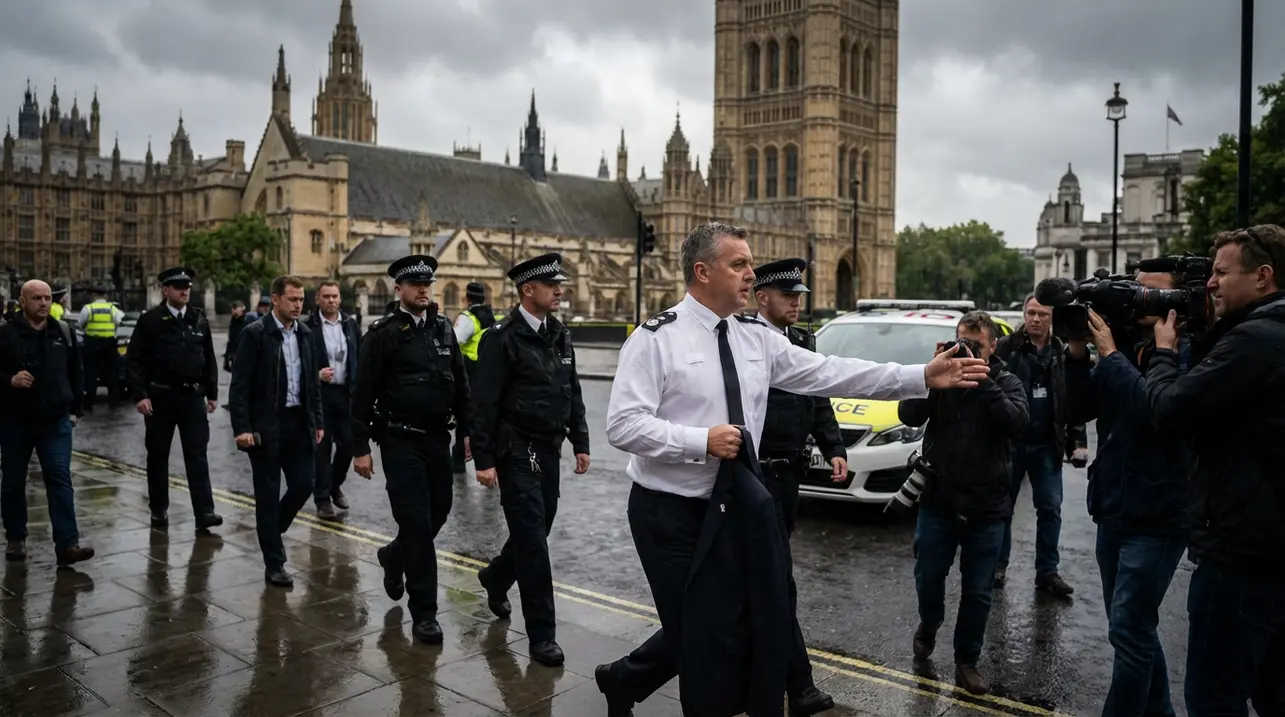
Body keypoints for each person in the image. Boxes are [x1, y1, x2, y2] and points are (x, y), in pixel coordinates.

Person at [594, 222, 990, 715]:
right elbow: (623, 427)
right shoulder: (655, 340)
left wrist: (920, 377)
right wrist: (701, 441)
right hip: (669, 513)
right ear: (701, 272)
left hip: (734, 506)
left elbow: (831, 373)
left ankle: (623, 682)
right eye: (738, 264)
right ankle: (643, 687)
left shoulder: (755, 339)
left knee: (736, 625)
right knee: (701, 635)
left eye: (750, 264)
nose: (750, 274)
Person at [1143, 225, 1285, 716]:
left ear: (1263, 276)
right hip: (1271, 552)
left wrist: (1162, 354)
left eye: (1222, 272)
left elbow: (1174, 411)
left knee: (1213, 697)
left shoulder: (1257, 341)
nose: (1209, 283)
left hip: (1241, 555)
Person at [1063, 273, 1193, 717]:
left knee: (1130, 630)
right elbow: (1079, 410)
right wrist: (1078, 353)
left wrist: (1111, 356)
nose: (1138, 298)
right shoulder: (1125, 347)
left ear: (1175, 297)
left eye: (1149, 291)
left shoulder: (1187, 351)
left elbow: (1159, 413)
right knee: (1134, 631)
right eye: (1135, 289)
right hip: (1114, 509)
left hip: (1158, 515)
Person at [898, 311, 1028, 695]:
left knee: (978, 591)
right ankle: (929, 622)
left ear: (992, 347)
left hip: (987, 508)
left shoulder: (1006, 382)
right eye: (961, 342)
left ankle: (966, 661)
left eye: (975, 345)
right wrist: (931, 375)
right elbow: (908, 413)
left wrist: (982, 379)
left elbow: (1017, 423)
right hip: (939, 500)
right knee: (928, 576)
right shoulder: (944, 377)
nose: (966, 351)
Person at [471, 252, 590, 667]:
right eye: (551, 285)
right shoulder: (501, 338)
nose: (560, 290)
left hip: (549, 448)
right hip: (515, 449)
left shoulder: (559, 334)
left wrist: (581, 440)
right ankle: (542, 636)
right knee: (534, 543)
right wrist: (483, 458)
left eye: (560, 284)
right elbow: (483, 403)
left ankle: (496, 576)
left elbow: (570, 390)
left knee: (539, 526)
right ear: (527, 290)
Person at [350, 255, 471, 644]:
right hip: (399, 440)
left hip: (438, 439)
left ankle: (394, 555)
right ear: (398, 289)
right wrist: (360, 449)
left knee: (439, 514)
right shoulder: (382, 334)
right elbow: (361, 395)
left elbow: (462, 388)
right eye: (414, 283)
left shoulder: (442, 329)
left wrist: (471, 434)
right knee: (417, 524)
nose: (423, 289)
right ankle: (425, 613)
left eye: (427, 283)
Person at [748, 257, 847, 715]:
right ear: (761, 296)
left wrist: (834, 447)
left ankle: (632, 673)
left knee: (756, 586)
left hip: (788, 474)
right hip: (755, 475)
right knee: (776, 583)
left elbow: (819, 397)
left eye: (799, 296)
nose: (796, 303)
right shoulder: (744, 342)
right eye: (788, 295)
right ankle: (799, 684)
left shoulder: (803, 340)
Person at [229, 275, 324, 587]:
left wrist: (318, 422)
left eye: (301, 299)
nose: (299, 305)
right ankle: (275, 562)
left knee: (304, 484)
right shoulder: (256, 333)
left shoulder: (307, 334)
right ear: (275, 299)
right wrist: (242, 428)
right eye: (293, 299)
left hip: (299, 423)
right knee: (267, 496)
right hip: (267, 426)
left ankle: (272, 529)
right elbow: (240, 386)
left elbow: (312, 384)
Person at [992, 293, 1087, 596]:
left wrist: (1078, 440)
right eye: (1031, 313)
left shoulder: (1062, 350)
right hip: (1010, 442)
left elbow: (1072, 398)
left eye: (1042, 315)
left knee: (1050, 508)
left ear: (1052, 319)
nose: (1035, 319)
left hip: (1047, 444)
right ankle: (997, 566)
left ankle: (1047, 572)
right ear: (1024, 314)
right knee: (1001, 507)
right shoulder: (1006, 348)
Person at [0, 280, 94, 565]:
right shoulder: (5, 334)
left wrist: (75, 410)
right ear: (22, 301)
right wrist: (9, 380)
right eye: (37, 298)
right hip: (16, 421)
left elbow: (76, 373)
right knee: (13, 482)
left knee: (60, 479)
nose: (43, 303)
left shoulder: (62, 331)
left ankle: (67, 545)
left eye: (47, 298)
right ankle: (16, 538)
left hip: (55, 421)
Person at [125, 267, 222, 531]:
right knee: (158, 456)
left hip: (192, 398)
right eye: (179, 287)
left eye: (188, 286)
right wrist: (140, 395)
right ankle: (158, 509)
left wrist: (212, 393)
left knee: (197, 456)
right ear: (165, 290)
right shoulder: (151, 320)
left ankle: (205, 513)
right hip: (160, 398)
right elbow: (133, 360)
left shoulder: (198, 319)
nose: (185, 291)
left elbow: (209, 358)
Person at [306, 280, 361, 520]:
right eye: (326, 296)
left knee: (348, 444)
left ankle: (334, 484)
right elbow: (298, 362)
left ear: (340, 299)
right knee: (322, 447)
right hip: (320, 395)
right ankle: (321, 499)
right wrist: (315, 375)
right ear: (317, 299)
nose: (330, 300)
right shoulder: (308, 328)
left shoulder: (350, 324)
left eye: (334, 296)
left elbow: (358, 356)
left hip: (345, 393)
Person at [451, 281, 495, 471]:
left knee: (464, 417)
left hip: (469, 372)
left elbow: (454, 342)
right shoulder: (491, 316)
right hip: (487, 371)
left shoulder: (468, 317)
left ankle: (458, 460)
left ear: (467, 298)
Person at [79, 285, 124, 411]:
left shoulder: (88, 308)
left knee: (91, 373)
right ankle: (114, 402)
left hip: (92, 342)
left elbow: (80, 324)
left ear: (94, 295)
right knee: (111, 373)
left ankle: (89, 403)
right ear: (105, 296)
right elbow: (119, 320)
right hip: (109, 343)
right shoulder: (111, 308)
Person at [224, 301, 251, 372]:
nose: (232, 310)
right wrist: (226, 358)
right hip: (234, 354)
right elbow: (231, 339)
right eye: (233, 308)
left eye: (235, 308)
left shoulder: (246, 321)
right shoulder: (234, 321)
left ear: (241, 309)